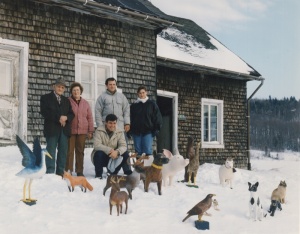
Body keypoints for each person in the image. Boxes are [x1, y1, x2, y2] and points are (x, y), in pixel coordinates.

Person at [40, 77, 74, 176]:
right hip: (52, 129)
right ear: (54, 86)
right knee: (50, 150)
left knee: (63, 151)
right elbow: (45, 112)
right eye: (59, 86)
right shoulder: (45, 98)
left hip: (64, 130)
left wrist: (66, 117)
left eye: (62, 87)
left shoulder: (66, 100)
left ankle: (60, 172)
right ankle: (50, 172)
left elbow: (72, 114)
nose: (60, 88)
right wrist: (59, 118)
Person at [65, 82, 94, 177]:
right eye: (74, 90)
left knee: (80, 151)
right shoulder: (67, 101)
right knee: (69, 151)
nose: (76, 92)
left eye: (77, 90)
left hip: (82, 130)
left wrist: (90, 131)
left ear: (80, 91)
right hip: (71, 130)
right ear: (71, 92)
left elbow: (89, 117)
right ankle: (68, 170)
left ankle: (79, 171)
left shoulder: (85, 103)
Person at [91, 114, 132, 179]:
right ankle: (98, 175)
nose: (112, 125)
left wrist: (117, 152)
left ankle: (125, 173)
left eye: (114, 123)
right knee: (98, 153)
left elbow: (123, 145)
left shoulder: (120, 131)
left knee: (125, 153)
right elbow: (97, 145)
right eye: (110, 123)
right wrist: (109, 150)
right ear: (106, 122)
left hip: (114, 157)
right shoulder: (99, 130)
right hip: (103, 157)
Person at [130, 86, 162, 156]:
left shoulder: (152, 104)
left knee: (147, 151)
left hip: (148, 131)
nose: (142, 94)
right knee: (138, 152)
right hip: (136, 132)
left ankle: (147, 166)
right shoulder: (134, 106)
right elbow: (130, 118)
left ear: (146, 93)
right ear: (138, 94)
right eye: (140, 93)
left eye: (143, 92)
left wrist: (157, 128)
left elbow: (157, 117)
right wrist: (130, 129)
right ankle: (139, 166)